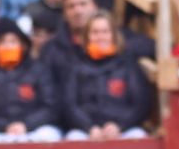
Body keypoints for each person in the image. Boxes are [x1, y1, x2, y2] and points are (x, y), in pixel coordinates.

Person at [0, 17, 60, 141]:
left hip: (31, 130)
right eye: (3, 42)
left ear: (23, 46)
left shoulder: (38, 69)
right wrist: (4, 126)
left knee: (50, 135)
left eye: (13, 41)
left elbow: (49, 107)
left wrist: (26, 125)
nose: (8, 46)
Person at [62, 12, 151, 140]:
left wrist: (119, 126)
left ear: (114, 35)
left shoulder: (127, 63)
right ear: (87, 36)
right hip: (86, 131)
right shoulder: (75, 65)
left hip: (123, 129)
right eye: (95, 32)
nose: (100, 37)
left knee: (138, 136)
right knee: (73, 139)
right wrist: (89, 127)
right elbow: (69, 105)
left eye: (105, 32)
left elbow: (140, 103)